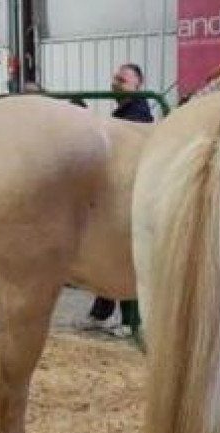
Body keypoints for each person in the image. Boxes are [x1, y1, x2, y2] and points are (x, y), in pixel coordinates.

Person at [85, 63, 153, 335]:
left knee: (124, 251)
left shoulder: (137, 114)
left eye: (122, 79)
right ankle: (102, 313)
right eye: (114, 78)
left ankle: (130, 321)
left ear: (138, 84)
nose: (115, 82)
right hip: (118, 189)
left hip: (131, 189)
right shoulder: (123, 112)